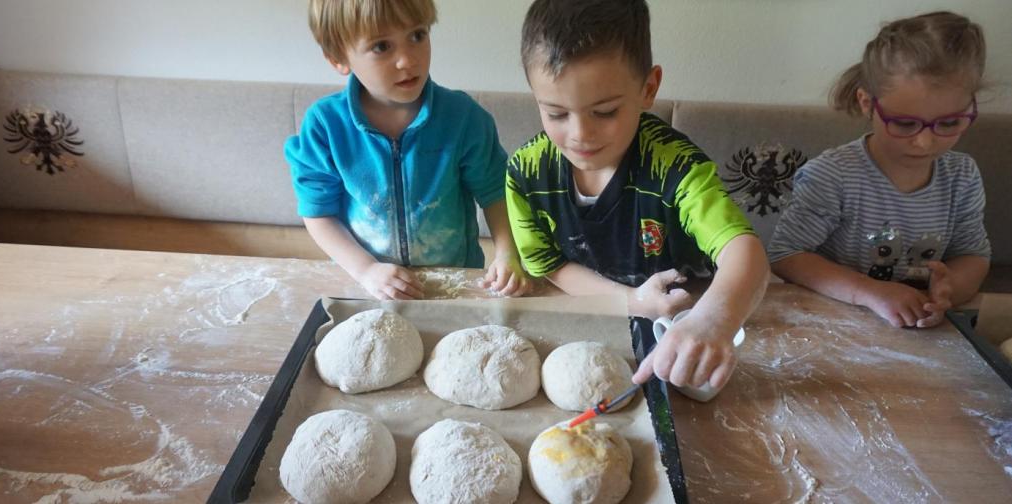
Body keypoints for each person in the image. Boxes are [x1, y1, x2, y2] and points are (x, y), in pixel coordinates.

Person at [509, 0, 769, 390]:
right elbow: (549, 264)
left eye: (605, 111)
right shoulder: (526, 174)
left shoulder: (675, 168)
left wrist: (715, 319)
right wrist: (630, 301)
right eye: (557, 114)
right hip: (590, 314)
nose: (580, 134)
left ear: (648, 89)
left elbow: (744, 252)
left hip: (682, 321)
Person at [286, 0, 528, 300]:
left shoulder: (463, 118)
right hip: (368, 284)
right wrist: (366, 271)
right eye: (382, 47)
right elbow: (318, 214)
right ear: (338, 57)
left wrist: (507, 254)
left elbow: (496, 194)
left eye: (417, 36)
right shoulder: (325, 126)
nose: (407, 60)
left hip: (454, 281)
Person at [769, 11, 990, 329]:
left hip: (915, 331)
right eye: (904, 123)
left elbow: (973, 255)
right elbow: (787, 255)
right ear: (867, 103)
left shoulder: (962, 176)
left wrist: (949, 289)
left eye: (950, 123)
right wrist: (870, 292)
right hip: (831, 323)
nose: (924, 142)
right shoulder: (833, 175)